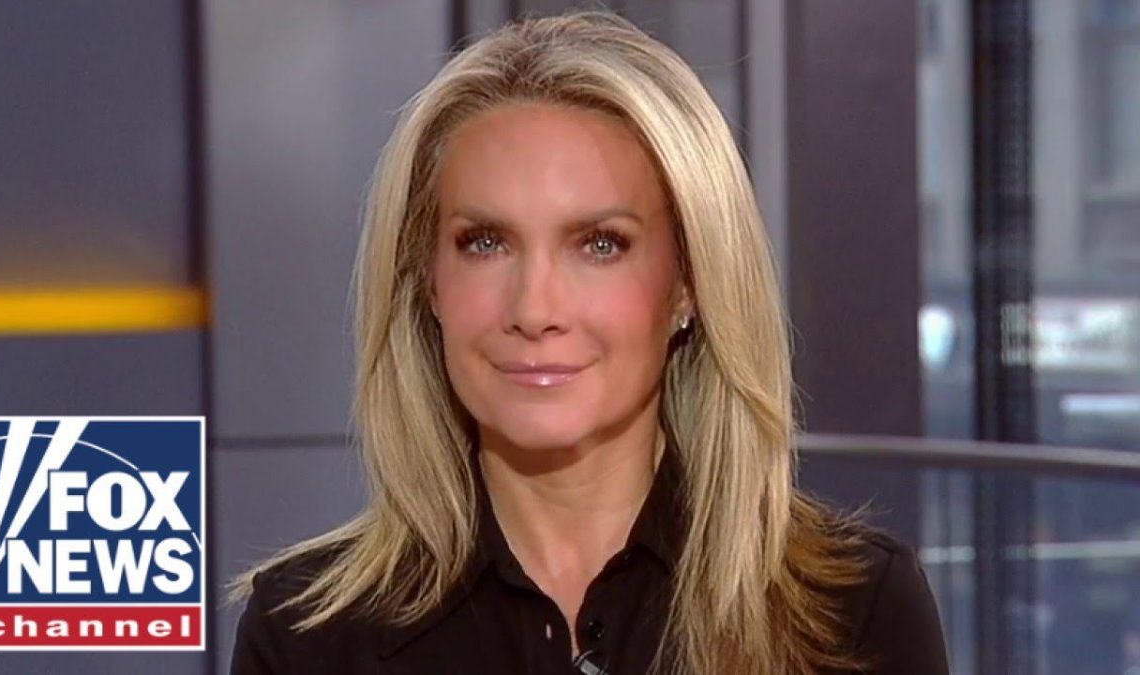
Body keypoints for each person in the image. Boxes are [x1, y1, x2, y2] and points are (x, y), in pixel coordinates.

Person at [229, 10, 948, 674]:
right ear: (427, 281)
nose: (534, 308)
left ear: (688, 282)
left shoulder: (855, 612)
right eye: (485, 242)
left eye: (600, 244)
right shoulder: (304, 636)